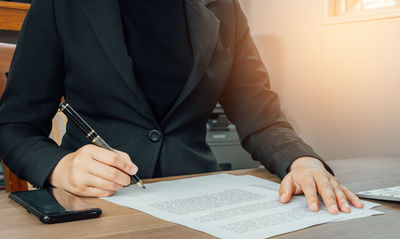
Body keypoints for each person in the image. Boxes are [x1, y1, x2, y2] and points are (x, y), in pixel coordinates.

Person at [0, 0, 363, 214]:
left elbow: (262, 118)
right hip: (97, 205)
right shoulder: (61, 6)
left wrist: (302, 161)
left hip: (201, 205)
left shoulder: (224, 7)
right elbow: (14, 125)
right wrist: (60, 167)